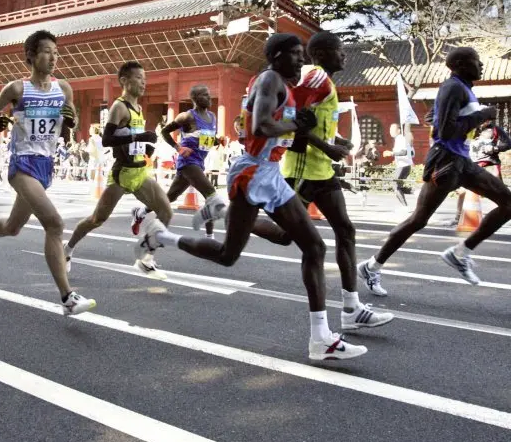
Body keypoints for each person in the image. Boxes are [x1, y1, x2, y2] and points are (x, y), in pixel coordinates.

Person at [135, 34, 368, 360]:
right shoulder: (270, 79)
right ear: (276, 56)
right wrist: (293, 122)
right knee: (229, 255)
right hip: (253, 173)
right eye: (295, 54)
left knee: (312, 246)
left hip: (270, 173)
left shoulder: (280, 85)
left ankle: (321, 338)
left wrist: (311, 132)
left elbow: (276, 124)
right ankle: (162, 235)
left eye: (303, 55)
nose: (301, 60)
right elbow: (259, 126)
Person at [0, 30, 95, 316]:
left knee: (13, 227)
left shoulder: (64, 89)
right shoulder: (17, 89)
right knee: (54, 224)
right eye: (46, 51)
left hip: (46, 166)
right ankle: (67, 298)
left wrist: (73, 120)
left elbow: (71, 122)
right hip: (22, 165)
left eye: (56, 53)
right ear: (31, 56)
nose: (53, 58)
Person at [358, 47, 511, 293]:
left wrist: (464, 115)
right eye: (476, 60)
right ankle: (372, 266)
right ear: (461, 64)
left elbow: (434, 118)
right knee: (418, 220)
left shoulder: (463, 89)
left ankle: (461, 253)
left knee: (508, 203)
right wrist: (482, 115)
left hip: (462, 161)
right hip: (445, 162)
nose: (482, 65)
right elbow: (445, 131)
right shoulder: (452, 87)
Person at [282, 31, 394, 329]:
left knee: (345, 230)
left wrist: (338, 140)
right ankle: (235, 217)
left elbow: (315, 123)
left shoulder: (326, 81)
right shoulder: (317, 76)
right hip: (302, 171)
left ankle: (351, 309)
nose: (345, 55)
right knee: (285, 235)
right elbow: (293, 116)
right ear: (320, 54)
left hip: (323, 172)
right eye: (339, 50)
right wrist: (328, 148)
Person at [63, 61, 173, 279]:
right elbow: (107, 139)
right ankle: (67, 249)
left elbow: (129, 140)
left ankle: (146, 259)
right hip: (122, 174)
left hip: (139, 171)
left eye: (145, 78)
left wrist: (144, 148)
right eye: (139, 78)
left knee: (166, 212)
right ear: (124, 81)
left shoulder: (139, 108)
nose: (144, 82)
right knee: (97, 219)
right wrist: (140, 137)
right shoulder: (119, 106)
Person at [130, 85, 227, 239]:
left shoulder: (212, 117)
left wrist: (217, 141)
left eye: (209, 95)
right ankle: (210, 238)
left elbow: (204, 140)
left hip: (199, 162)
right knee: (211, 195)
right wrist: (178, 147)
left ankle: (140, 212)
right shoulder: (187, 116)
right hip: (188, 162)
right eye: (204, 95)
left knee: (169, 198)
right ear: (194, 98)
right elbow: (164, 131)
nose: (208, 98)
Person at [384, 123, 415, 210]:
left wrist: (392, 153)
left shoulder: (401, 139)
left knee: (395, 185)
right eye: (390, 129)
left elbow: (405, 152)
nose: (391, 131)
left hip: (403, 165)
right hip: (403, 165)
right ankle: (415, 191)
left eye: (393, 129)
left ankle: (405, 207)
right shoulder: (398, 139)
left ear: (399, 130)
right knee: (398, 186)